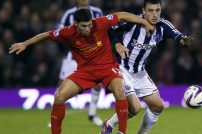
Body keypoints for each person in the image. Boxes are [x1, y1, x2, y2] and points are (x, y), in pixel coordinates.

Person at [9, 8, 154, 134]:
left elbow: (121, 15)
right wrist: (25, 44)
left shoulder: (100, 23)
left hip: (107, 68)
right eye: (84, 26)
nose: (88, 29)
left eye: (89, 25)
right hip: (85, 72)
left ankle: (121, 132)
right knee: (59, 96)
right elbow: (46, 35)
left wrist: (145, 22)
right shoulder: (67, 32)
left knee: (120, 91)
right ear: (76, 24)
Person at [100, 0, 193, 134]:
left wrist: (183, 39)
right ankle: (109, 124)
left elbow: (176, 34)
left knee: (158, 106)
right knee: (135, 108)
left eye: (157, 10)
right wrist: (117, 44)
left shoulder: (162, 25)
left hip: (140, 72)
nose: (155, 14)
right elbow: (110, 27)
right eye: (150, 10)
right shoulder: (132, 22)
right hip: (121, 69)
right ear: (144, 11)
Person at [57, 0, 103, 126]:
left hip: (92, 56)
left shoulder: (97, 12)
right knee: (61, 86)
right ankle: (57, 116)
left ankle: (92, 114)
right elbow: (61, 33)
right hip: (72, 56)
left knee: (97, 83)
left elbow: (102, 33)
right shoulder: (69, 14)